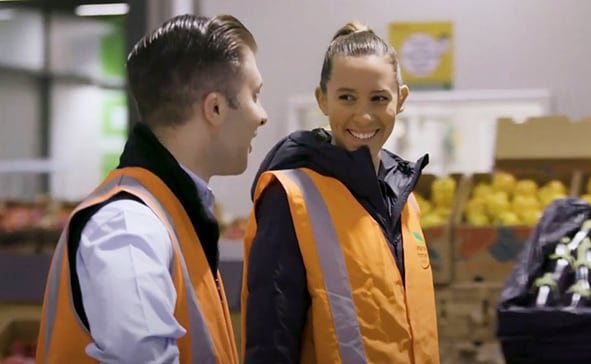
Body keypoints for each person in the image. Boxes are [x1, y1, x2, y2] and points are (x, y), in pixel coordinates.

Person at [36, 13, 267, 364]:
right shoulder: (129, 228)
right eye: (255, 94)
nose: (261, 115)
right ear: (216, 108)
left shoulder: (173, 213)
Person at [241, 21, 439, 364]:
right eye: (346, 97)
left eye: (379, 98)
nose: (363, 115)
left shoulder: (405, 200)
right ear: (322, 99)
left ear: (401, 99)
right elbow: (270, 343)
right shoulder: (289, 199)